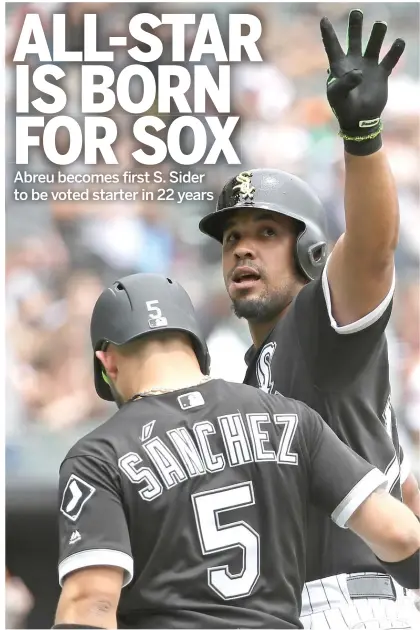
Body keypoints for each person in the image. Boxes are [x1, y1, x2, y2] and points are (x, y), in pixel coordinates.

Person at [198, 8, 420, 630]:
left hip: (352, 602)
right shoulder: (246, 370)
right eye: (232, 237)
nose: (242, 247)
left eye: (266, 232)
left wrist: (363, 137)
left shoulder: (320, 325)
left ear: (307, 253)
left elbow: (372, 250)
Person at [52, 273, 420, 630]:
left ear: (107, 363)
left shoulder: (98, 456)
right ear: (197, 348)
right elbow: (401, 535)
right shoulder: (289, 417)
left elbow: (90, 602)